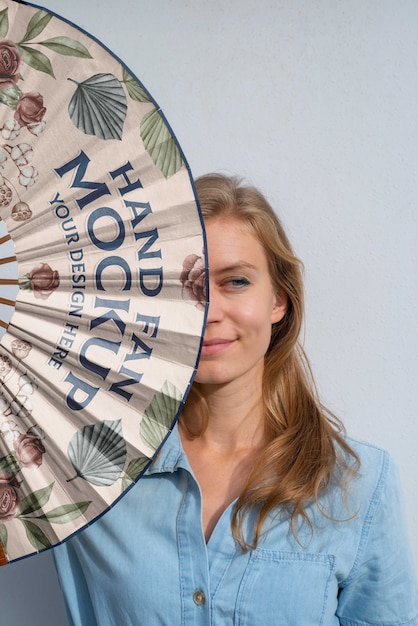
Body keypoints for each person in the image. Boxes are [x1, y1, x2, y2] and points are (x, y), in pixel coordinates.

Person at [53, 173, 418, 625]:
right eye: (185, 283)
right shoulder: (82, 471)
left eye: (236, 282)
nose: (210, 310)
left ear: (279, 300)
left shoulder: (358, 486)